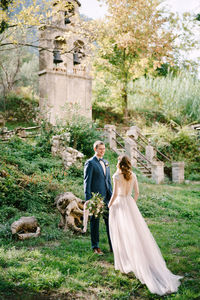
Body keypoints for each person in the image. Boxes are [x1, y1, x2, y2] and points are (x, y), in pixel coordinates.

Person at [108, 155, 183, 296]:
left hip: (119, 205)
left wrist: (109, 205)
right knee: (136, 234)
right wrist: (132, 204)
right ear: (128, 164)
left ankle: (125, 264)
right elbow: (137, 193)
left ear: (119, 164)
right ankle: (134, 260)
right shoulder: (134, 175)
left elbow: (114, 194)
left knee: (122, 234)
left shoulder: (116, 176)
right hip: (130, 204)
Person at [84, 140, 113, 255]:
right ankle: (95, 247)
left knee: (110, 222)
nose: (102, 151)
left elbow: (108, 181)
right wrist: (89, 200)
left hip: (107, 198)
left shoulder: (106, 162)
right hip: (96, 199)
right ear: (95, 149)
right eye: (100, 149)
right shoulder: (90, 163)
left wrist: (112, 196)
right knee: (95, 223)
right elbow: (87, 182)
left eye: (104, 149)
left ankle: (113, 246)